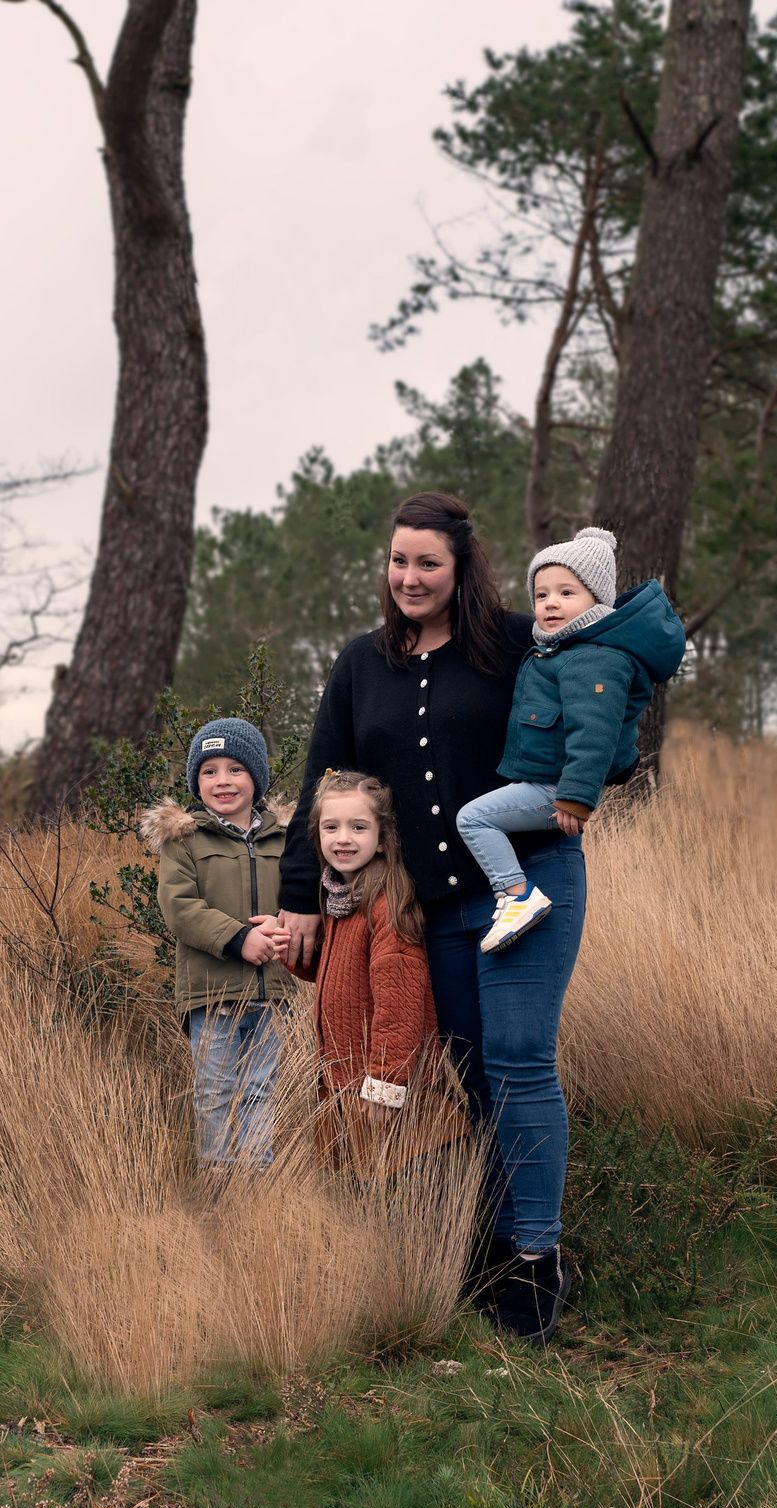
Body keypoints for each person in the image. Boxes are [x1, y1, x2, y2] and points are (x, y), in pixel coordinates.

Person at [276, 492, 578, 1345]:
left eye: (428, 563)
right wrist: (301, 896)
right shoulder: (360, 665)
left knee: (518, 1058)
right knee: (469, 1077)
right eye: (399, 561)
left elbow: (606, 678)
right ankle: (488, 1250)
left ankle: (539, 1260)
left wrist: (602, 756)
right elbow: (320, 778)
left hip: (527, 878)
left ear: (460, 568)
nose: (410, 577)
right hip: (432, 906)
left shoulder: (516, 643)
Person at [456, 527, 684, 953]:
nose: (551, 604)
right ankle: (514, 895)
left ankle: (515, 895)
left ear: (596, 600)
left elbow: (594, 733)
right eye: (541, 596)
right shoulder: (567, 651)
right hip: (549, 783)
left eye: (566, 592)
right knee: (481, 815)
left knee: (473, 818)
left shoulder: (593, 658)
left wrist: (576, 799)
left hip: (556, 790)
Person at [145, 716, 295, 1168]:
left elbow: (307, 898)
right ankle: (217, 1186)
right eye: (209, 771)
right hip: (212, 995)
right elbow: (180, 908)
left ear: (257, 777)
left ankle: (256, 1190)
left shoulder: (286, 838)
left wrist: (282, 924)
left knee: (260, 1092)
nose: (223, 781)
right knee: (214, 1094)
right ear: (196, 781)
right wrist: (239, 937)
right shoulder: (184, 840)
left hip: (274, 994)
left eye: (236, 769)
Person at [288, 771, 445, 1172]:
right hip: (343, 1083)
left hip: (378, 1091)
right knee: (352, 1205)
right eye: (331, 827)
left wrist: (385, 1085)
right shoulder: (340, 898)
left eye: (359, 827)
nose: (343, 839)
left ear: (382, 839)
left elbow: (400, 1004)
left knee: (399, 1197)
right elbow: (341, 976)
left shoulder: (385, 905)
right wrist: (290, 951)